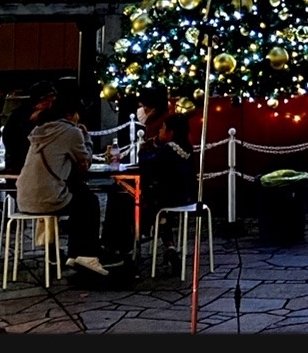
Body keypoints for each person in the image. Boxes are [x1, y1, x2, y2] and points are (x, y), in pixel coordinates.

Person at [16, 94, 109, 276]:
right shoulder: (71, 132)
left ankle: (77, 254)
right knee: (89, 202)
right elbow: (85, 161)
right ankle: (86, 253)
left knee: (80, 197)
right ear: (71, 114)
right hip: (48, 198)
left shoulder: (41, 130)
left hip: (24, 197)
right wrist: (86, 138)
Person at [104, 111, 196, 264]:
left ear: (170, 133)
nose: (159, 132)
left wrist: (149, 146)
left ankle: (120, 245)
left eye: (162, 129)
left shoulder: (168, 150)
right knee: (159, 213)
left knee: (121, 195)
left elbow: (147, 163)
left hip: (163, 198)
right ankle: (169, 246)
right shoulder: (186, 149)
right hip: (182, 197)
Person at [2, 81, 58, 173]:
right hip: (21, 165)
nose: (51, 105)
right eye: (49, 101)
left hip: (43, 167)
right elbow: (12, 140)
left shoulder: (50, 116)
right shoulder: (20, 116)